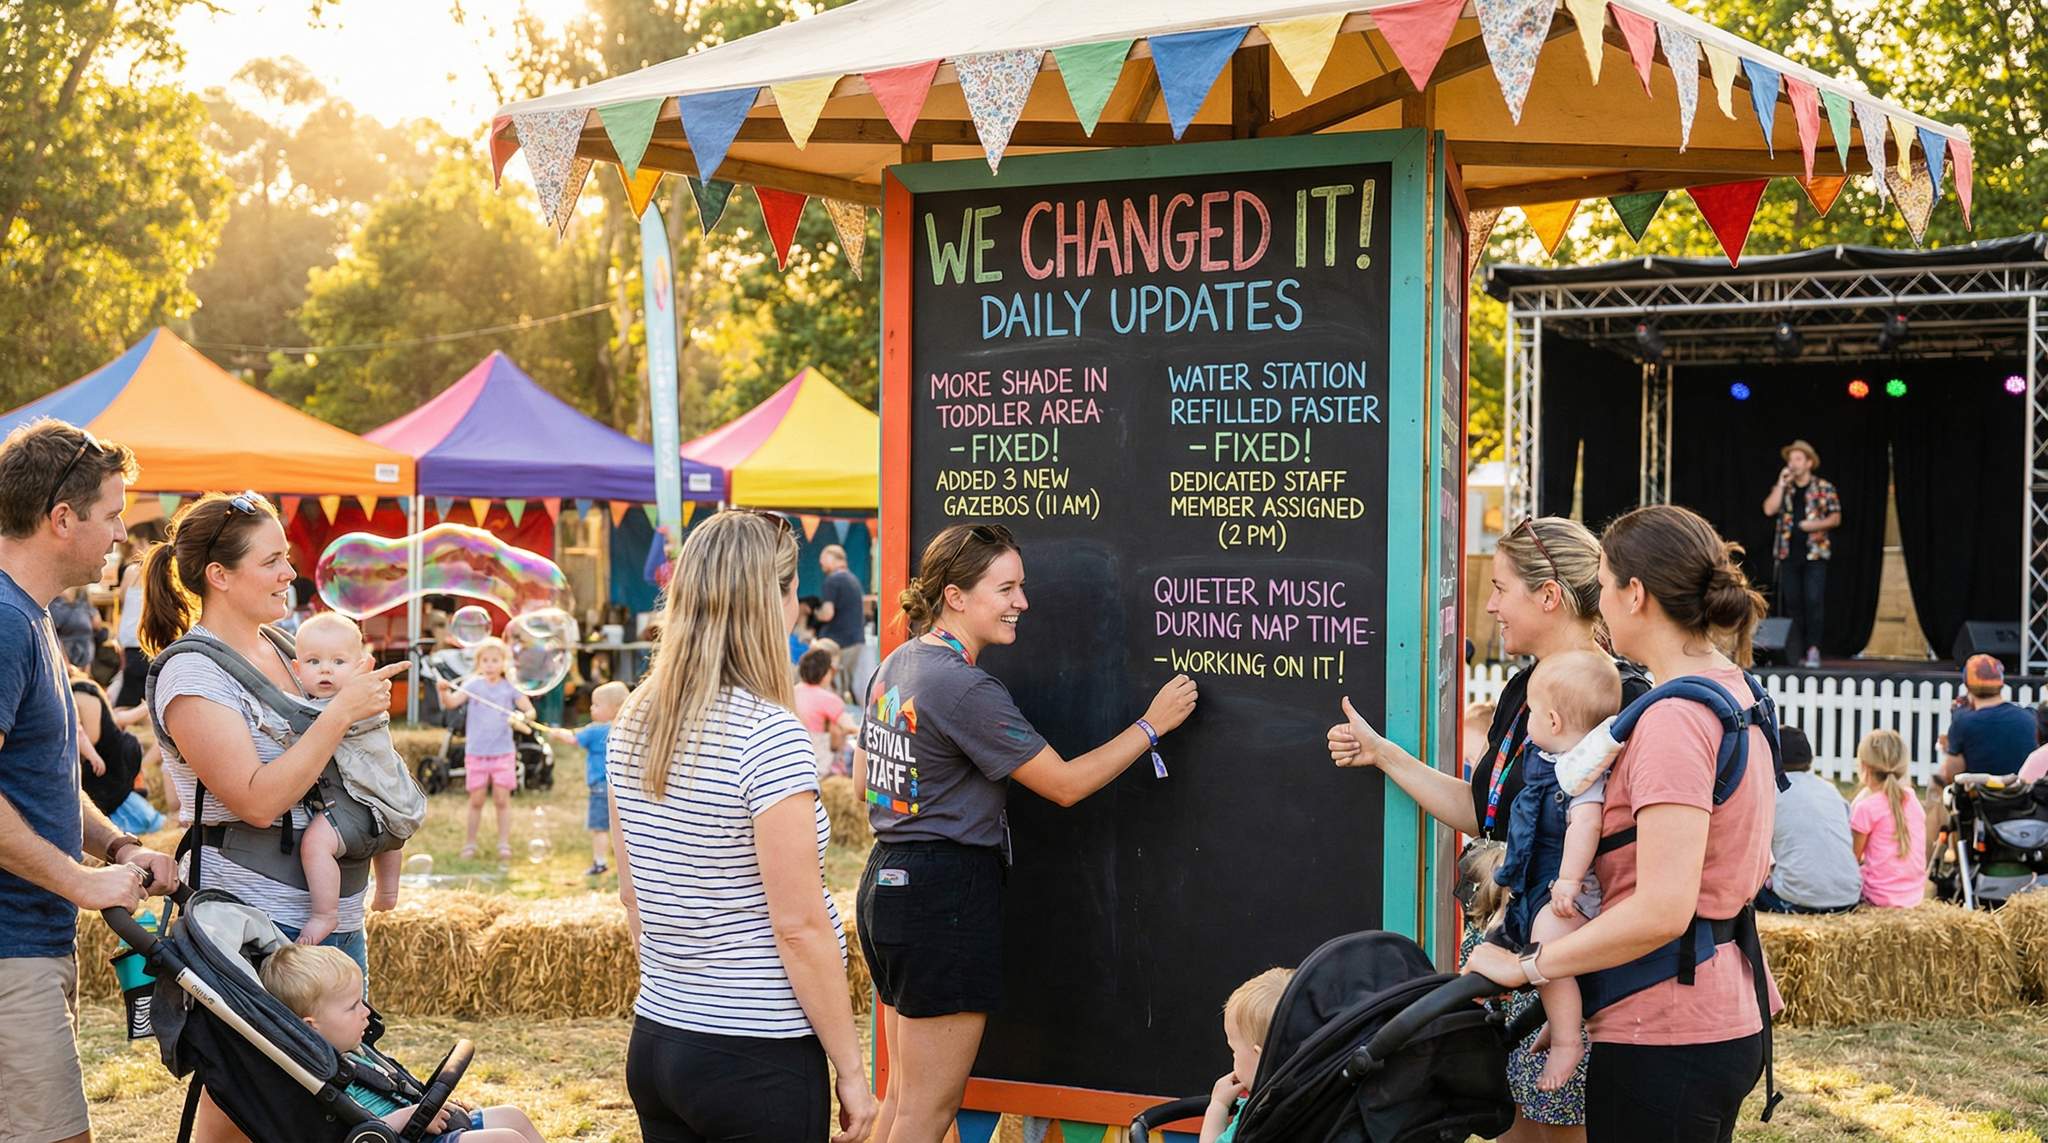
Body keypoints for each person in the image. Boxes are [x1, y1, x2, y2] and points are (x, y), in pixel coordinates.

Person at [855, 523, 1198, 1143]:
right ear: (956, 596)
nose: (1023, 602)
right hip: (943, 897)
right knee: (927, 1113)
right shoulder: (963, 687)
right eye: (1006, 588)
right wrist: (1151, 726)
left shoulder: (896, 665)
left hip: (887, 884)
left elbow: (865, 786)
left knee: (902, 1099)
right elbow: (1064, 784)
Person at [1458, 504, 1781, 1143]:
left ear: (1635, 595)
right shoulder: (1735, 690)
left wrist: (1531, 967)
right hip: (1714, 1007)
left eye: (1603, 585)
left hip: (1667, 1025)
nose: (1597, 602)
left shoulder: (1673, 722)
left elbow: (1662, 908)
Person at [1330, 516, 1647, 1143]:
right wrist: (1384, 755)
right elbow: (1487, 812)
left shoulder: (1622, 699)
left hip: (1571, 952)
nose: (1491, 604)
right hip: (1516, 940)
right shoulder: (1525, 687)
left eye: (1501, 587)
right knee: (1515, 1121)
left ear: (1549, 596)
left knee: (1556, 1124)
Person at [143, 490, 407, 1143]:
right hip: (259, 924)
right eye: (274, 560)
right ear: (220, 575)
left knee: (325, 1103)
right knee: (245, 1110)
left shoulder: (293, 649)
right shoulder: (193, 673)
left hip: (333, 914)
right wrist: (343, 712)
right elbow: (257, 797)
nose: (292, 572)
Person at [607, 510, 878, 1143]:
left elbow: (632, 893)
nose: (797, 607)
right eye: (792, 592)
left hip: (660, 1037)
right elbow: (799, 924)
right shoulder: (769, 733)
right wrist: (851, 1068)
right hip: (756, 1053)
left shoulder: (636, 718)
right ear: (770, 601)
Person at [0, 418, 179, 1143]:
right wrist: (78, 883)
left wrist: (115, 848)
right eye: (110, 516)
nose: (119, 537)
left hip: (30, 939)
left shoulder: (30, 616)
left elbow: (38, 778)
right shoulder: (7, 622)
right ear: (60, 517)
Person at [1490, 650, 1624, 1093]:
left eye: (1529, 714)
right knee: (1522, 949)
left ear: (1551, 721)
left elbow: (1587, 823)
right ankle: (1555, 1018)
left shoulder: (1581, 772)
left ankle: (1568, 1040)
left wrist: (1568, 880)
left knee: (1545, 948)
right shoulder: (1547, 760)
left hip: (1567, 888)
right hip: (1537, 883)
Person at [259, 944, 544, 1143]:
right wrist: (406, 1118)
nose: (367, 1012)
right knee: (505, 1140)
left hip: (420, 1127)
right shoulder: (315, 1076)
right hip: (395, 1137)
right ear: (313, 1027)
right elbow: (348, 1134)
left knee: (512, 1117)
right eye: (352, 1007)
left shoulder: (352, 1052)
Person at [290, 612, 422, 944]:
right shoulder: (339, 700)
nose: (325, 669)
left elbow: (311, 726)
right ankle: (388, 889)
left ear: (361, 667)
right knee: (392, 832)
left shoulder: (353, 704)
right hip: (388, 796)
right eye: (313, 661)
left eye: (338, 661)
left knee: (315, 844)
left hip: (362, 799)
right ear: (296, 669)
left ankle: (324, 914)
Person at [436, 636, 534, 862]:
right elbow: (451, 702)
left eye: (495, 660)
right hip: (477, 753)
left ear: (504, 663)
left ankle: (503, 843)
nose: (490, 665)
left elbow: (530, 711)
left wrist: (520, 716)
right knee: (476, 800)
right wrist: (442, 691)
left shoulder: (509, 687)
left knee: (502, 799)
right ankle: (470, 843)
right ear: (479, 663)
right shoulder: (473, 685)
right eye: (486, 660)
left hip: (503, 753)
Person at [1756, 727, 1861, 914]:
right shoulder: (1831, 790)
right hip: (1849, 899)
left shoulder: (1771, 792)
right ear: (1810, 759)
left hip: (1797, 901)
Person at [1760, 439, 1839, 669]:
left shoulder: (1824, 487)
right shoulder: (1786, 488)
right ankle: (1795, 650)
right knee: (1793, 603)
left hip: (1814, 554)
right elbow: (1769, 509)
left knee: (1813, 601)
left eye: (1797, 459)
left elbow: (1836, 517)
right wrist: (1780, 483)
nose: (1792, 464)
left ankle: (1813, 648)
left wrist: (1811, 526)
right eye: (1790, 459)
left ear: (1809, 462)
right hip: (1788, 553)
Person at [1198, 967, 1294, 1143]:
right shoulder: (1324, 1102)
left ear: (1261, 1059)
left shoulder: (1256, 1118)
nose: (1233, 1057)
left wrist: (1218, 1106)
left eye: (1234, 1051)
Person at [545, 679, 627, 877]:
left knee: (599, 828)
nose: (591, 708)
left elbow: (573, 738)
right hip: (621, 787)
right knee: (623, 830)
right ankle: (627, 867)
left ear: (614, 709)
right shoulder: (624, 729)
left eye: (596, 705)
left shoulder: (595, 729)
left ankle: (600, 863)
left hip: (600, 786)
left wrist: (556, 733)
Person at [1850, 730, 1927, 908]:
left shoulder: (1866, 808)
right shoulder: (1912, 799)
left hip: (1877, 896)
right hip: (1914, 895)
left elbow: (1852, 859)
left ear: (1864, 767)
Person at [815, 544, 869, 697]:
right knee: (845, 689)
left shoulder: (832, 580)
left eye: (822, 561)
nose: (821, 566)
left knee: (834, 690)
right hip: (855, 642)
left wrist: (816, 613)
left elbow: (827, 614)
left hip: (838, 644)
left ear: (832, 559)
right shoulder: (853, 580)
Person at [795, 641, 856, 777]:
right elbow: (851, 728)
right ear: (827, 672)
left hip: (796, 761)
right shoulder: (829, 699)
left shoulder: (792, 691)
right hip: (819, 764)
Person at [49, 584, 100, 670]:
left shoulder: (84, 603)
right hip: (65, 659)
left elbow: (97, 625)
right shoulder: (57, 606)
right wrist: (65, 663)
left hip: (86, 659)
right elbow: (54, 636)